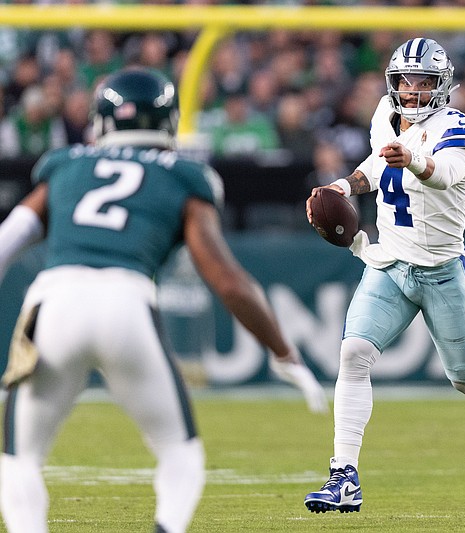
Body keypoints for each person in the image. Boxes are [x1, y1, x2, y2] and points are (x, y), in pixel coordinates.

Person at [0, 67, 326, 533]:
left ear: (102, 122)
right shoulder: (184, 176)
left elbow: (6, 241)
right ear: (168, 122)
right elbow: (229, 281)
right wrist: (283, 350)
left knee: (19, 460)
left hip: (53, 301)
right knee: (180, 455)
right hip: (126, 303)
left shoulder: (66, 164)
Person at [303, 37, 465, 514]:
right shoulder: (385, 112)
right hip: (390, 263)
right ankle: (344, 474)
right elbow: (376, 163)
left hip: (443, 270)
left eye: (423, 82)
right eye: (405, 81)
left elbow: (443, 172)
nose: (412, 91)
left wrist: (414, 161)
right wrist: (341, 186)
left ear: (441, 85)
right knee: (354, 354)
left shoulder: (460, 128)